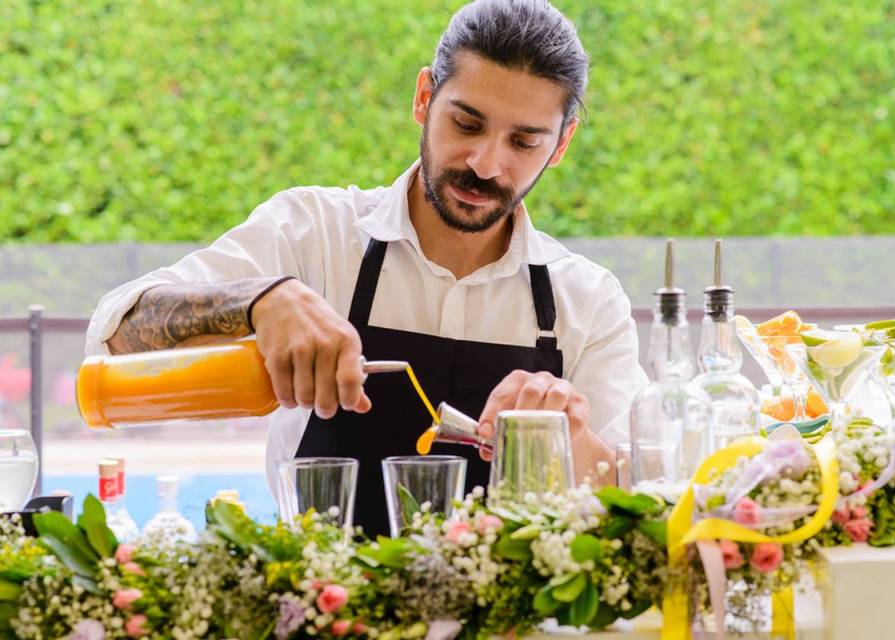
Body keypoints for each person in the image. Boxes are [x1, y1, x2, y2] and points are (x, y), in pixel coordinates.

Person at [86, 0, 647, 535]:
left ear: (561, 144)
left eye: (523, 141)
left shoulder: (588, 301)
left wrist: (569, 437)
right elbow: (114, 338)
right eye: (467, 124)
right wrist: (259, 300)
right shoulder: (312, 232)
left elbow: (639, 504)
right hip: (321, 609)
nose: (486, 163)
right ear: (425, 97)